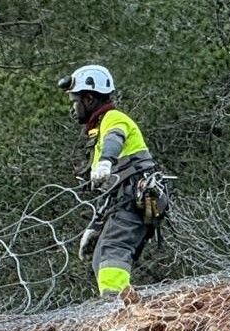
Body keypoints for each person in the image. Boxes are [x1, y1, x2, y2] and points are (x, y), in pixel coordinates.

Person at [61, 64, 169, 301]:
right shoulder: (98, 133)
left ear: (88, 98)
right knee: (102, 252)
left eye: (75, 101)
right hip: (127, 199)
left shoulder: (113, 118)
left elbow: (115, 137)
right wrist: (95, 226)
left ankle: (114, 304)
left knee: (113, 249)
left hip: (136, 196)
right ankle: (118, 300)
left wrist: (105, 162)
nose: (73, 108)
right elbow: (112, 194)